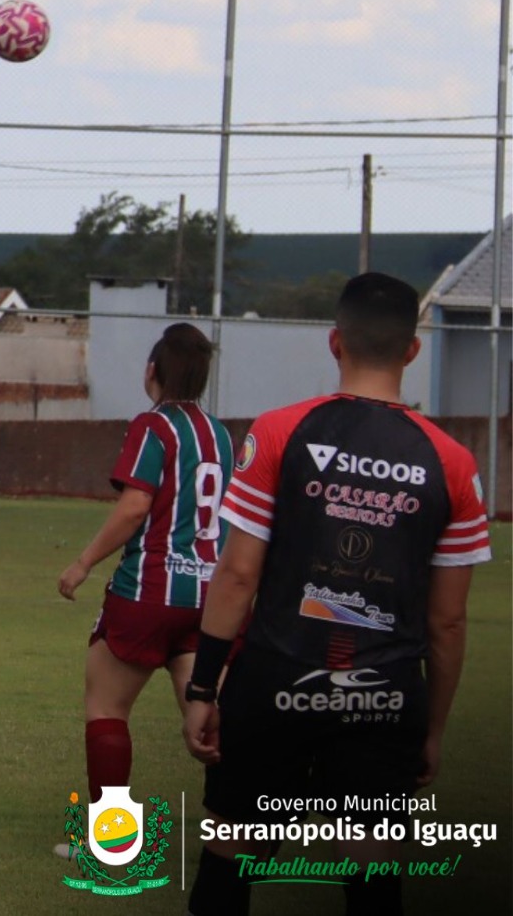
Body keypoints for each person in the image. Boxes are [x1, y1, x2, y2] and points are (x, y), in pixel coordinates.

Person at [181, 273, 492, 916]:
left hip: (272, 682)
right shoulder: (453, 462)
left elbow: (236, 575)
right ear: (413, 350)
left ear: (334, 342)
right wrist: (429, 728)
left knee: (231, 859)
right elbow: (449, 623)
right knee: (371, 869)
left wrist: (204, 688)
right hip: (385, 695)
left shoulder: (276, 431)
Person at [53, 323, 231, 854]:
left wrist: (83, 563)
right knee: (211, 721)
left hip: (149, 592)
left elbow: (135, 507)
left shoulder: (153, 427)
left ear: (152, 371)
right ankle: (237, 832)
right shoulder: (220, 434)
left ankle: (112, 841)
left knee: (106, 707)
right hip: (210, 598)